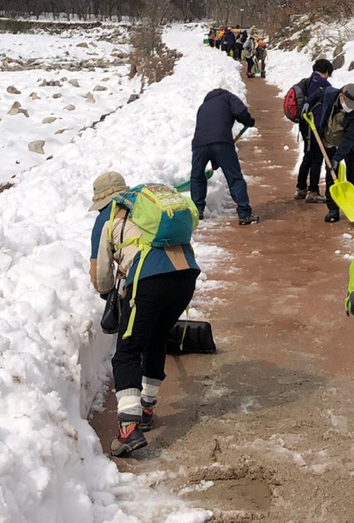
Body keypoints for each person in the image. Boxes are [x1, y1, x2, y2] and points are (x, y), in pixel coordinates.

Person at [89, 171, 201, 457]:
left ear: (103, 200)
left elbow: (101, 274)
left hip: (149, 282)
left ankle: (128, 427)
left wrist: (108, 294)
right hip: (185, 276)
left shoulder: (109, 216)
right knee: (156, 338)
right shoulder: (148, 205)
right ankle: (146, 408)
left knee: (127, 351)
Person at [190, 86, 259, 224]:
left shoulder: (203, 106)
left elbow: (207, 129)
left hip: (199, 145)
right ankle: (244, 213)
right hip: (222, 142)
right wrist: (249, 121)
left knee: (197, 177)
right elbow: (240, 112)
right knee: (234, 177)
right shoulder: (228, 97)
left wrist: (214, 158)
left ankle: (197, 211)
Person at [315, 82, 354, 224]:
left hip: (350, 146)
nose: (351, 108)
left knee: (353, 174)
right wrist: (307, 103)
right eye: (349, 104)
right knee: (331, 175)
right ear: (342, 97)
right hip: (329, 141)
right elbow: (317, 94)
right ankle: (333, 210)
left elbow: (349, 139)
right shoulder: (330, 94)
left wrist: (338, 158)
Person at [294, 58, 334, 202]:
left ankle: (301, 188)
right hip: (314, 126)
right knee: (316, 157)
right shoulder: (323, 84)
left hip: (305, 125)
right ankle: (313, 192)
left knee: (308, 155)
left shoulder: (309, 80)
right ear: (326, 72)